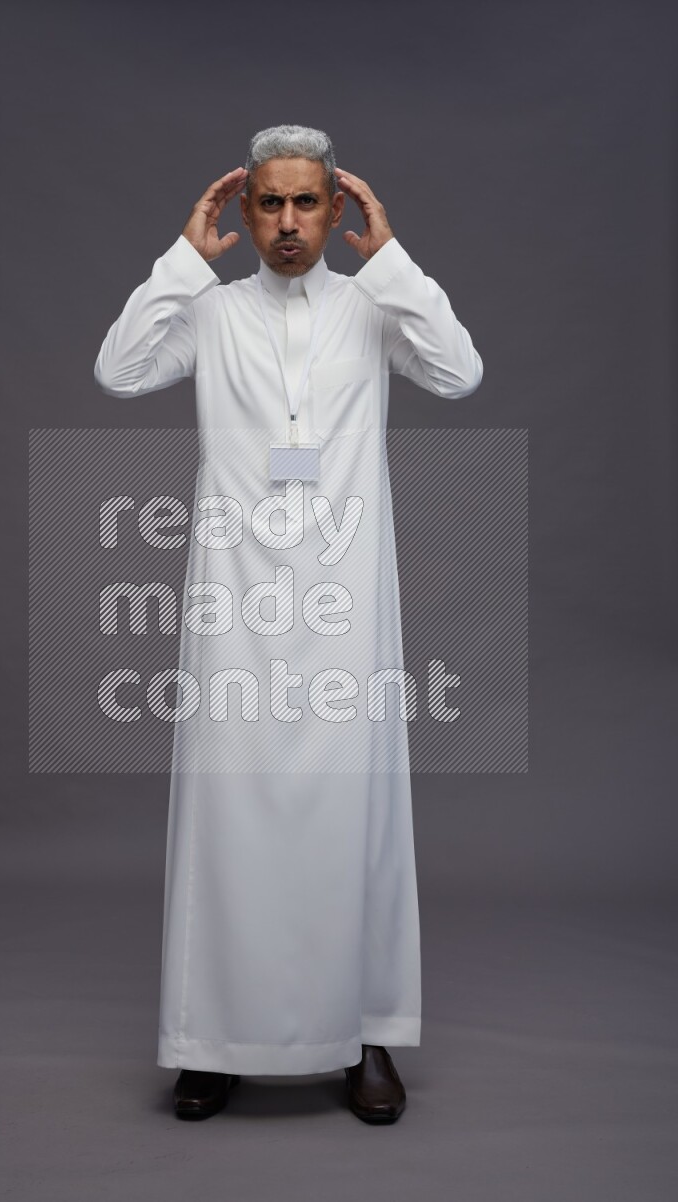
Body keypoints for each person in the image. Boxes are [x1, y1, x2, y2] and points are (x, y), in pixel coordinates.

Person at [94, 124, 483, 1123]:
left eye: (307, 203)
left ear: (337, 209)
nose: (286, 223)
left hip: (347, 596)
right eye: (267, 203)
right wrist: (182, 259)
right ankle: (211, 1040)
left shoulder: (370, 307)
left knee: (351, 813)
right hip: (235, 596)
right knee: (231, 811)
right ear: (241, 208)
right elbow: (120, 370)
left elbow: (457, 371)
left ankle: (365, 1034)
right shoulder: (212, 316)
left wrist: (389, 257)